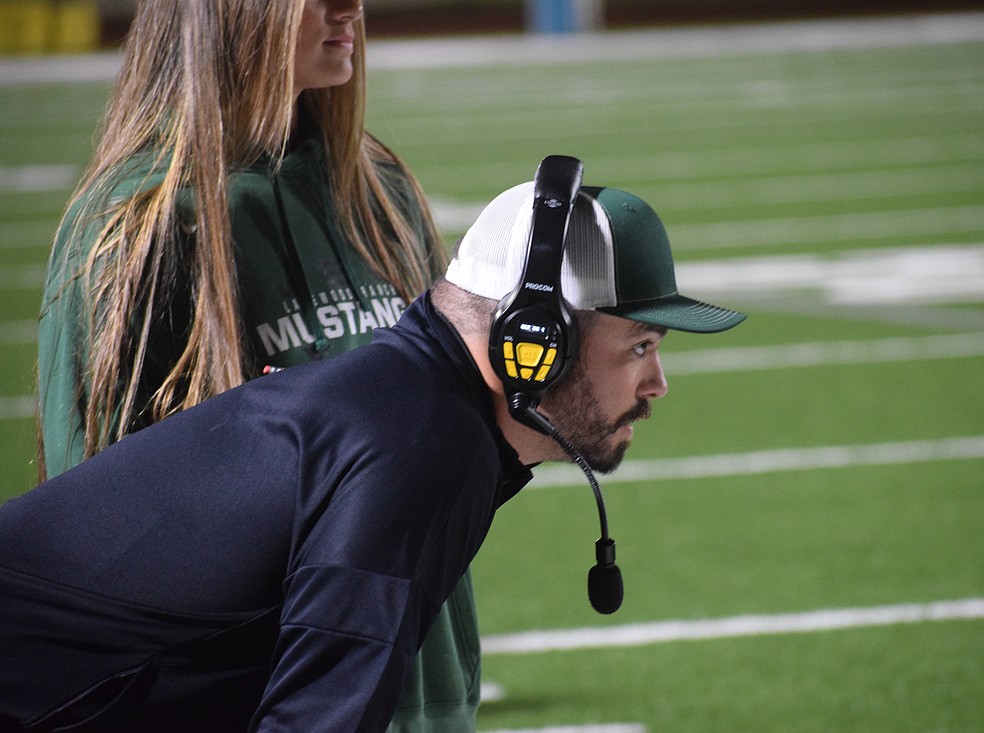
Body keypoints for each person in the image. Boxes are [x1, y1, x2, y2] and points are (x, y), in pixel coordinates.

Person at [1, 175, 746, 731]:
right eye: (641, 346)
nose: (658, 383)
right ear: (535, 342)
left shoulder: (413, 408)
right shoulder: (418, 450)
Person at [33, 1, 479, 730]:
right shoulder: (135, 228)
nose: (351, 9)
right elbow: (90, 554)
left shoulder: (380, 193)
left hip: (421, 697)